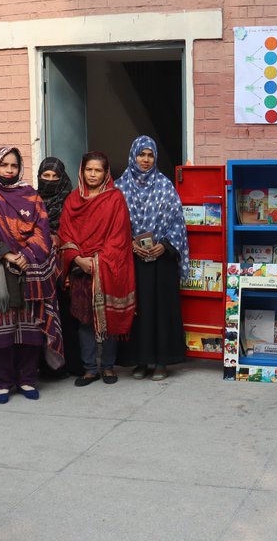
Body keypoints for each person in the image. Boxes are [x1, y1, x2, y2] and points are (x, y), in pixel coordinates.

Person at [0, 146, 64, 403]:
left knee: (29, 330)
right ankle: (3, 382)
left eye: (14, 165)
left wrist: (27, 256)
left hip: (30, 271)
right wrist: (7, 254)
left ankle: (28, 379)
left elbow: (42, 229)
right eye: (3, 165)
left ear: (19, 167)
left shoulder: (31, 196)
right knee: (1, 332)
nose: (9, 170)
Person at [58, 152, 136, 386]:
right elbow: (65, 233)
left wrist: (98, 261)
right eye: (88, 170)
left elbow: (119, 236)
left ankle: (108, 367)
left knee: (108, 319)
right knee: (85, 321)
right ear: (82, 171)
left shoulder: (115, 199)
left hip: (107, 268)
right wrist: (78, 259)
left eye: (98, 170)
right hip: (80, 269)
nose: (92, 174)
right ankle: (90, 368)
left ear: (106, 173)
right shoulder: (72, 200)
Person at [116, 135, 188, 381]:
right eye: (141, 154)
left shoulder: (165, 186)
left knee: (161, 310)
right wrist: (131, 243)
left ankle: (161, 362)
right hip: (133, 260)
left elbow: (178, 222)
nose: (145, 160)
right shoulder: (120, 187)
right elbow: (114, 225)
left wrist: (165, 245)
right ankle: (140, 360)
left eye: (150, 155)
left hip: (161, 260)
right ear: (133, 156)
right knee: (139, 310)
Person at [36, 156, 82, 378]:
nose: (51, 180)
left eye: (56, 176)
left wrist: (60, 240)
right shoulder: (32, 200)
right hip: (40, 267)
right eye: (46, 176)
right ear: (39, 176)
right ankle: (45, 368)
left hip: (66, 267)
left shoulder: (72, 202)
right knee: (43, 317)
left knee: (67, 315)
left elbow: (77, 230)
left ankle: (71, 364)